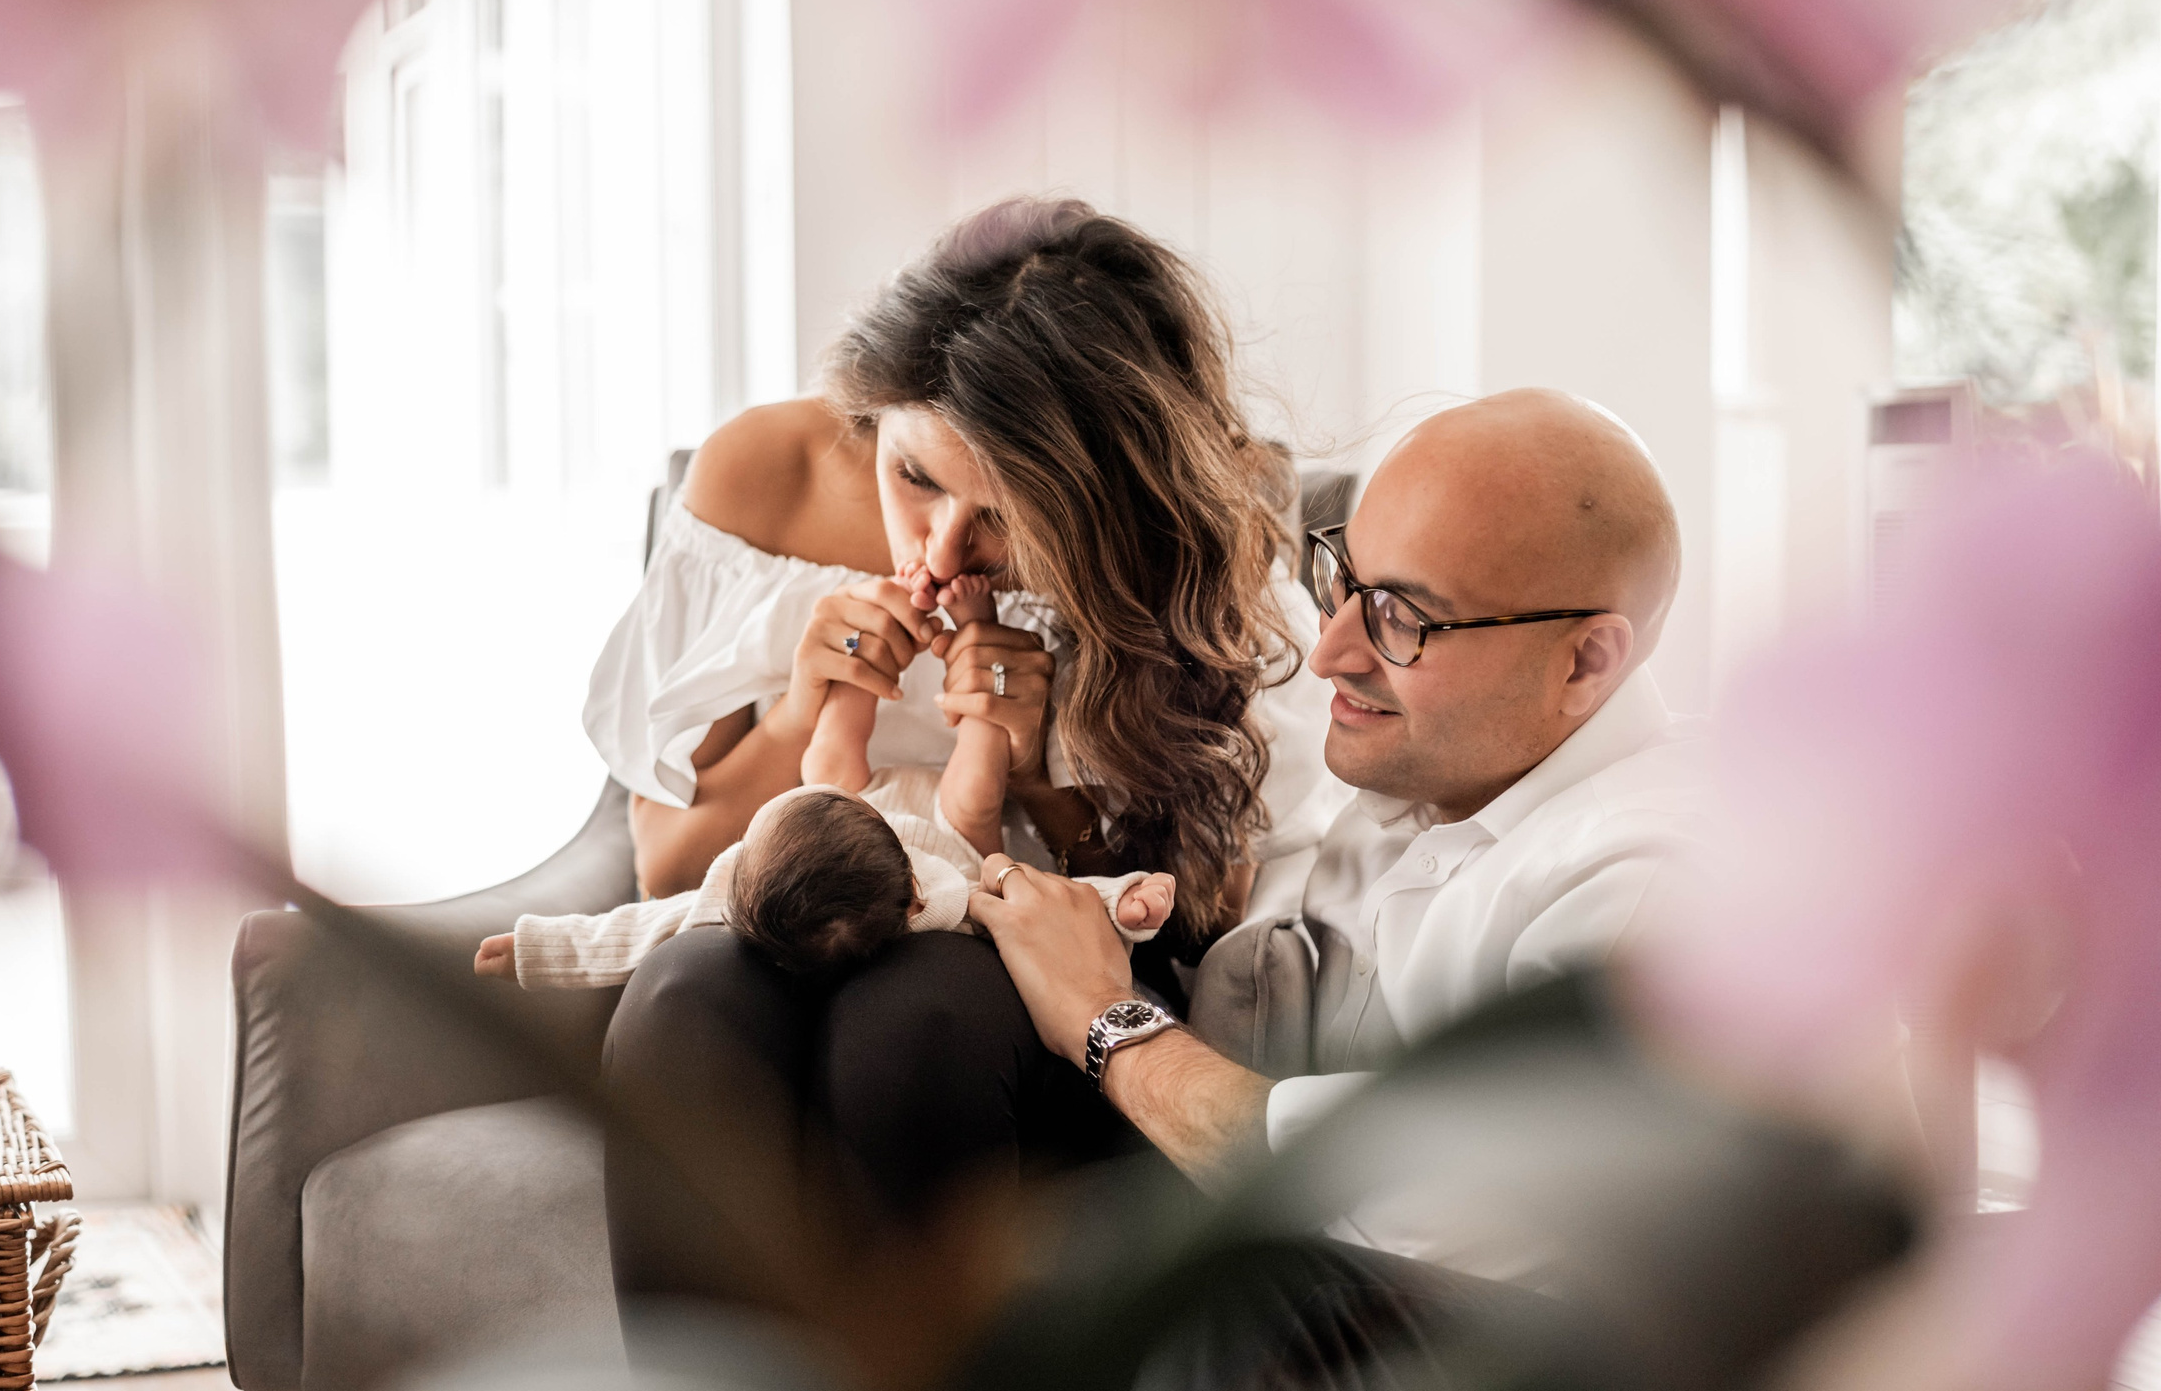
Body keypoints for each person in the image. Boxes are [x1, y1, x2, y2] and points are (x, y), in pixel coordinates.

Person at [588, 196, 1339, 1292]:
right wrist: (802, 715)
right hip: (780, 904)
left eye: (1006, 515)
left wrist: (1038, 774)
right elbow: (666, 866)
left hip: (1020, 954)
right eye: (917, 477)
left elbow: (1203, 911)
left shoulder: (1183, 547)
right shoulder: (765, 476)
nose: (943, 549)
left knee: (920, 1013)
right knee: (682, 1006)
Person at [969, 386, 1704, 1184]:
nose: (1328, 654)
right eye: (1342, 581)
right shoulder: (1444, 770)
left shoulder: (1643, 896)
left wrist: (1103, 1018)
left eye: (1401, 615)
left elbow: (1398, 1196)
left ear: (1585, 662)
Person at [477, 572, 1174, 987]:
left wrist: (533, 946)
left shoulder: (742, 881)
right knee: (972, 784)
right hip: (950, 833)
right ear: (910, 902)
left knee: (832, 756)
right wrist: (1127, 899)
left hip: (840, 797)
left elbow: (635, 929)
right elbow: (1042, 902)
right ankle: (976, 630)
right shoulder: (941, 895)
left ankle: (877, 629)